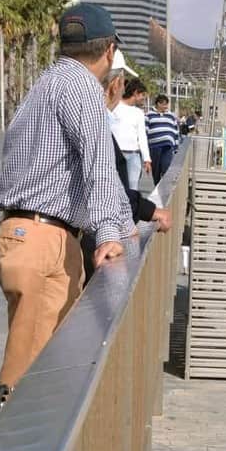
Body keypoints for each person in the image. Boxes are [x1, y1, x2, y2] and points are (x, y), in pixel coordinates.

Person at [0, 2, 132, 388]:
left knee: (48, 368)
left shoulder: (48, 82)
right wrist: (110, 233)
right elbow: (99, 162)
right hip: (43, 238)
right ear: (109, 51)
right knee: (30, 380)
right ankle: (7, 445)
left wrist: (123, 223)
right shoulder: (82, 87)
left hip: (27, 233)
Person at [82, 49, 172, 282]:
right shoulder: (93, 124)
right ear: (115, 84)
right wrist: (146, 212)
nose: (123, 90)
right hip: (66, 242)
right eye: (123, 85)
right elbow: (106, 186)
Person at [111, 78, 151, 191]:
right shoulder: (114, 107)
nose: (144, 98)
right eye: (142, 95)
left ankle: (131, 209)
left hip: (134, 156)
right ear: (135, 93)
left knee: (133, 189)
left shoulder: (139, 113)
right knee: (115, 188)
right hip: (115, 154)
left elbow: (142, 137)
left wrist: (146, 159)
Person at [146, 94, 179, 184]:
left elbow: (175, 131)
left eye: (166, 104)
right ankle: (157, 188)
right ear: (158, 104)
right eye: (163, 104)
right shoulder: (149, 115)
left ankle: (165, 190)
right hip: (154, 147)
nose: (165, 106)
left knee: (166, 169)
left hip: (168, 146)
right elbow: (145, 131)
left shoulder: (171, 116)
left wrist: (176, 148)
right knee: (156, 172)